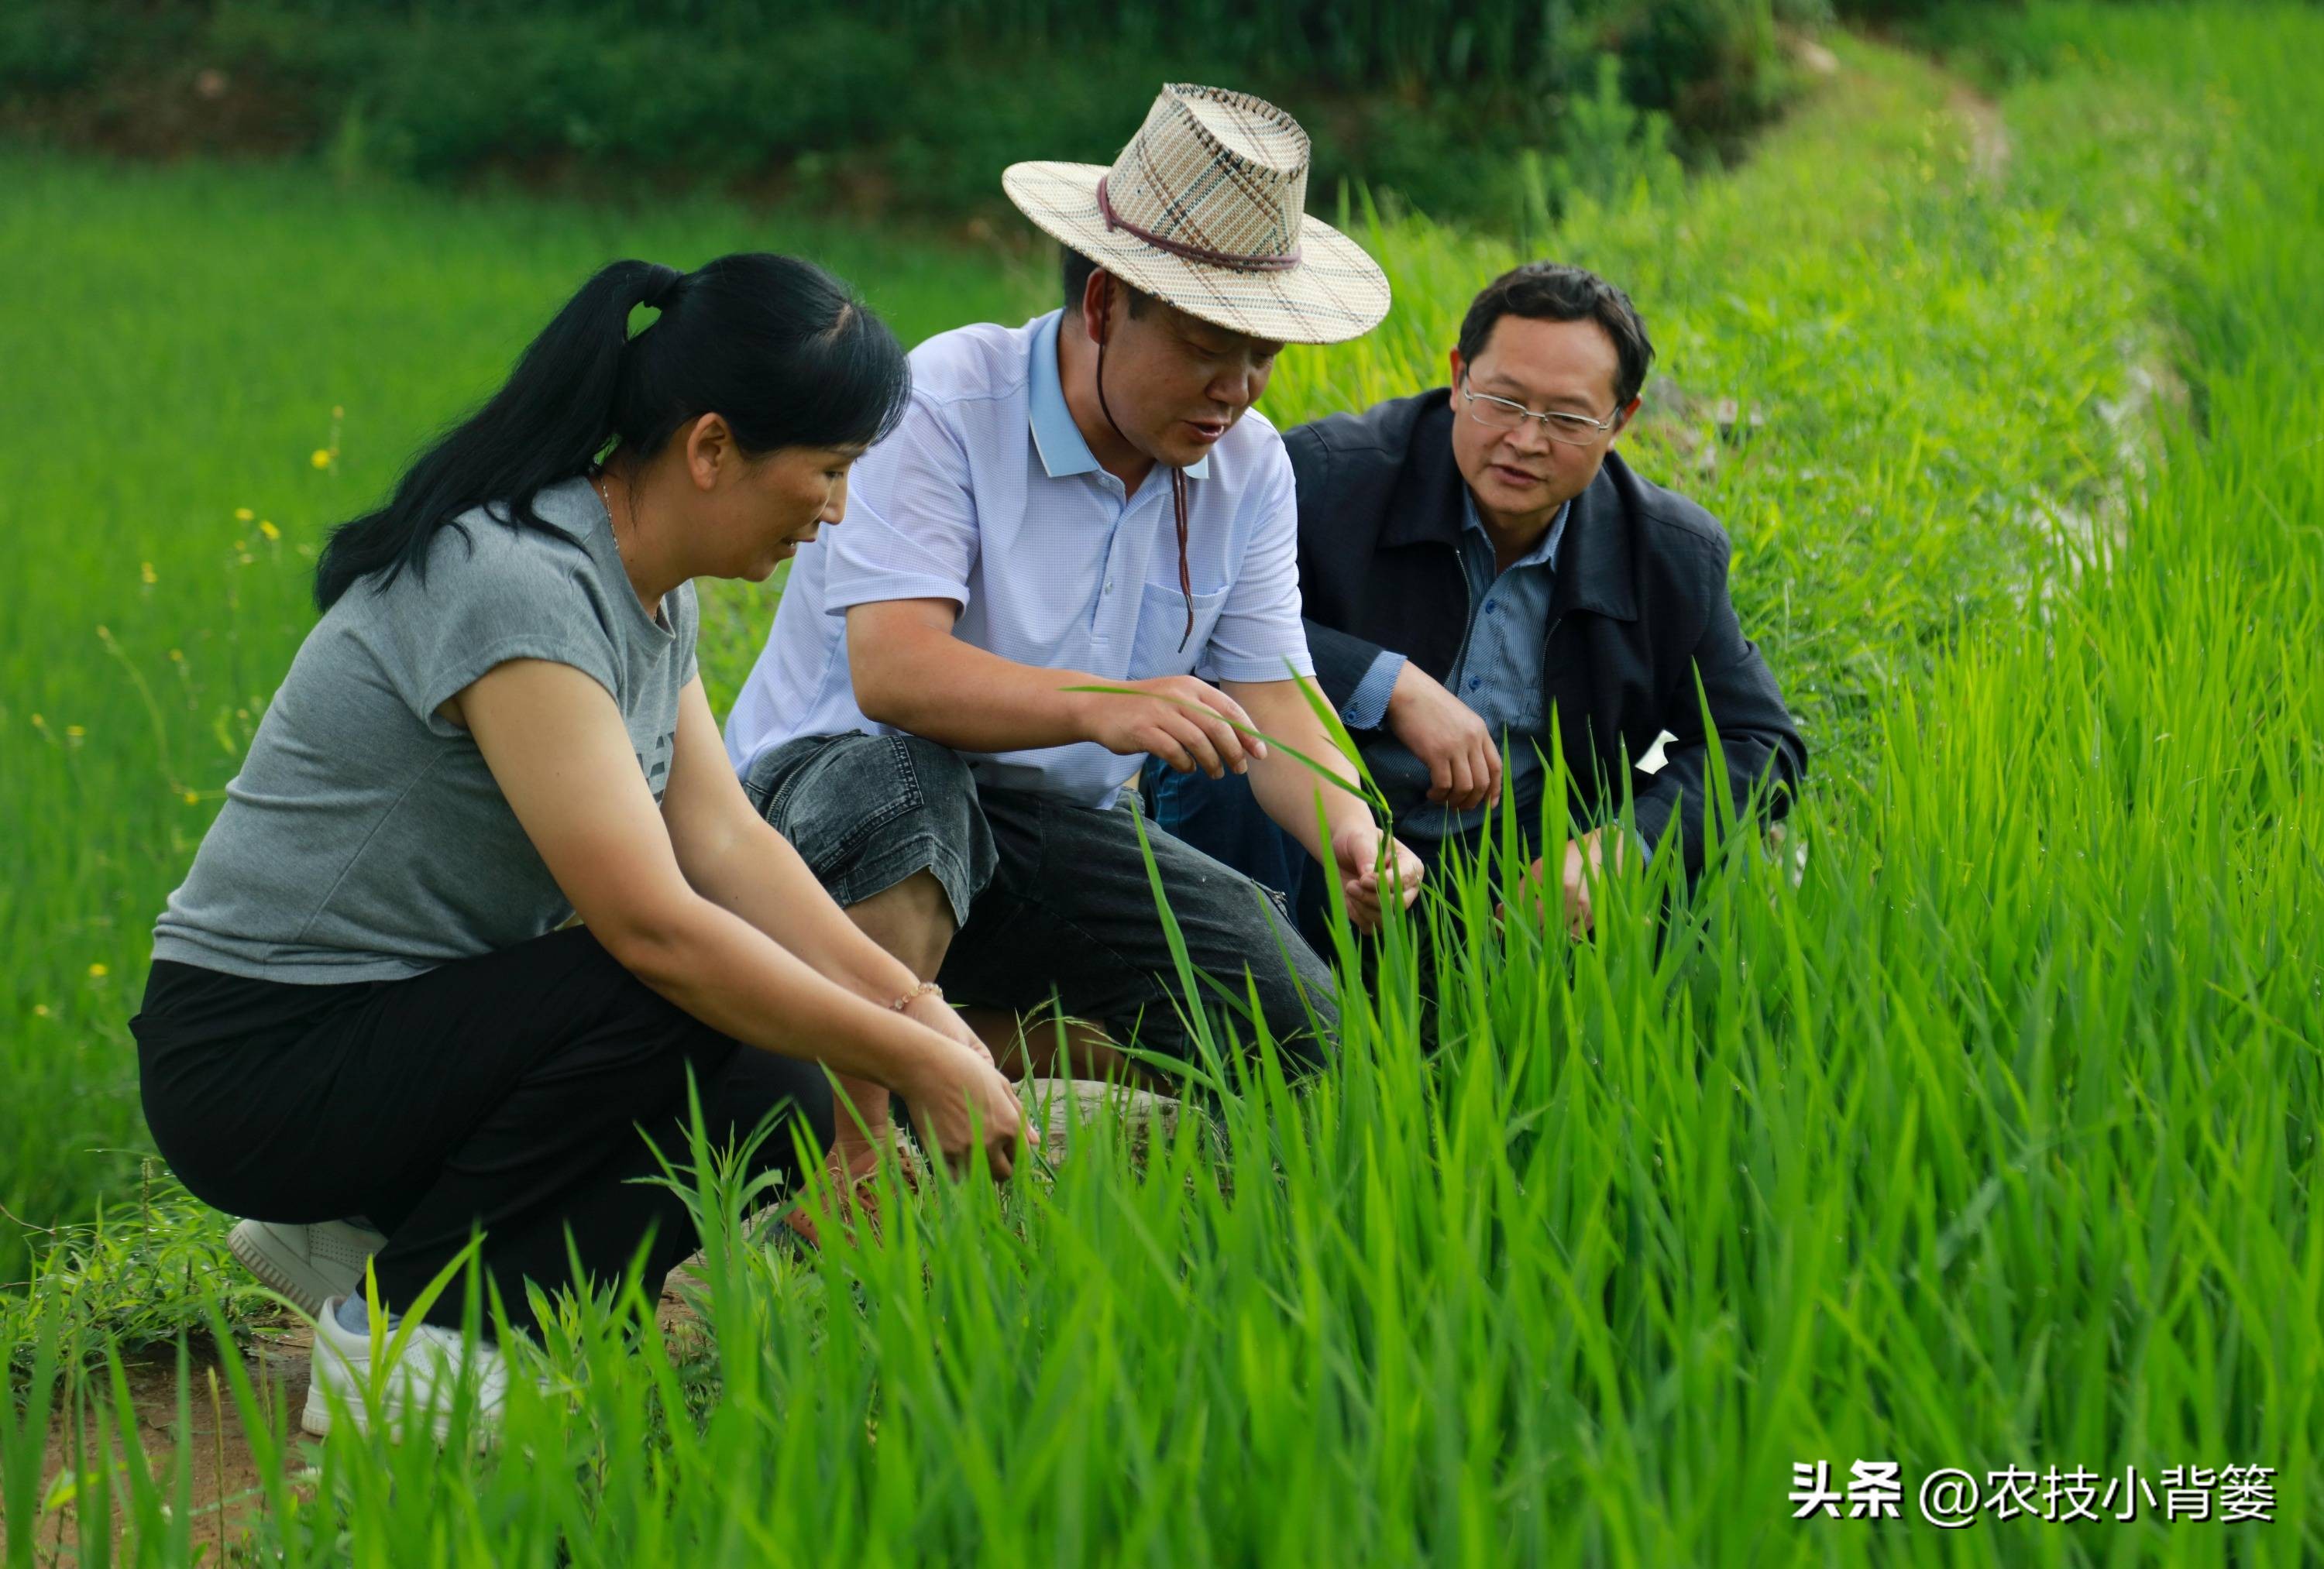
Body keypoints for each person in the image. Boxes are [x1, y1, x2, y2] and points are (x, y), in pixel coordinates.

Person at [129, 253, 1028, 1443]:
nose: (835, 510)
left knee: (776, 1089)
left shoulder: (647, 588)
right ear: (711, 448)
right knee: (672, 987)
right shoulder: (517, 583)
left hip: (383, 1032)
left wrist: (925, 1015)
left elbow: (725, 841)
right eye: (828, 471)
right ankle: (419, 1346)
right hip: (254, 1055)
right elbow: (655, 922)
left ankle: (378, 1241)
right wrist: (914, 1064)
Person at [722, 84, 1424, 1087]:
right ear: (1103, 304)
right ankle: (866, 1150)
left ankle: (991, 1041)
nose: (1236, 386)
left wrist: (1354, 825)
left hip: (1040, 838)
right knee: (914, 792)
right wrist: (1110, 708)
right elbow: (894, 673)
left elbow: (1278, 699)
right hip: (834, 811)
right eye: (1204, 346)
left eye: (1261, 354)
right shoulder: (949, 402)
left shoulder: (1249, 467)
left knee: (1307, 1038)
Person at [1149, 262, 1807, 949]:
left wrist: (1621, 846)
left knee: (1716, 847)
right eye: (1504, 401)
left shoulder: (1670, 553)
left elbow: (1760, 741)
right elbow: (1199, 620)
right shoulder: (1326, 473)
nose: (1525, 440)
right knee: (1225, 750)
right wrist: (1390, 684)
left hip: (1511, 875)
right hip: (1318, 837)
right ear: (1460, 379)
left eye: (1568, 418)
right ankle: (1236, 997)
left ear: (1622, 422)